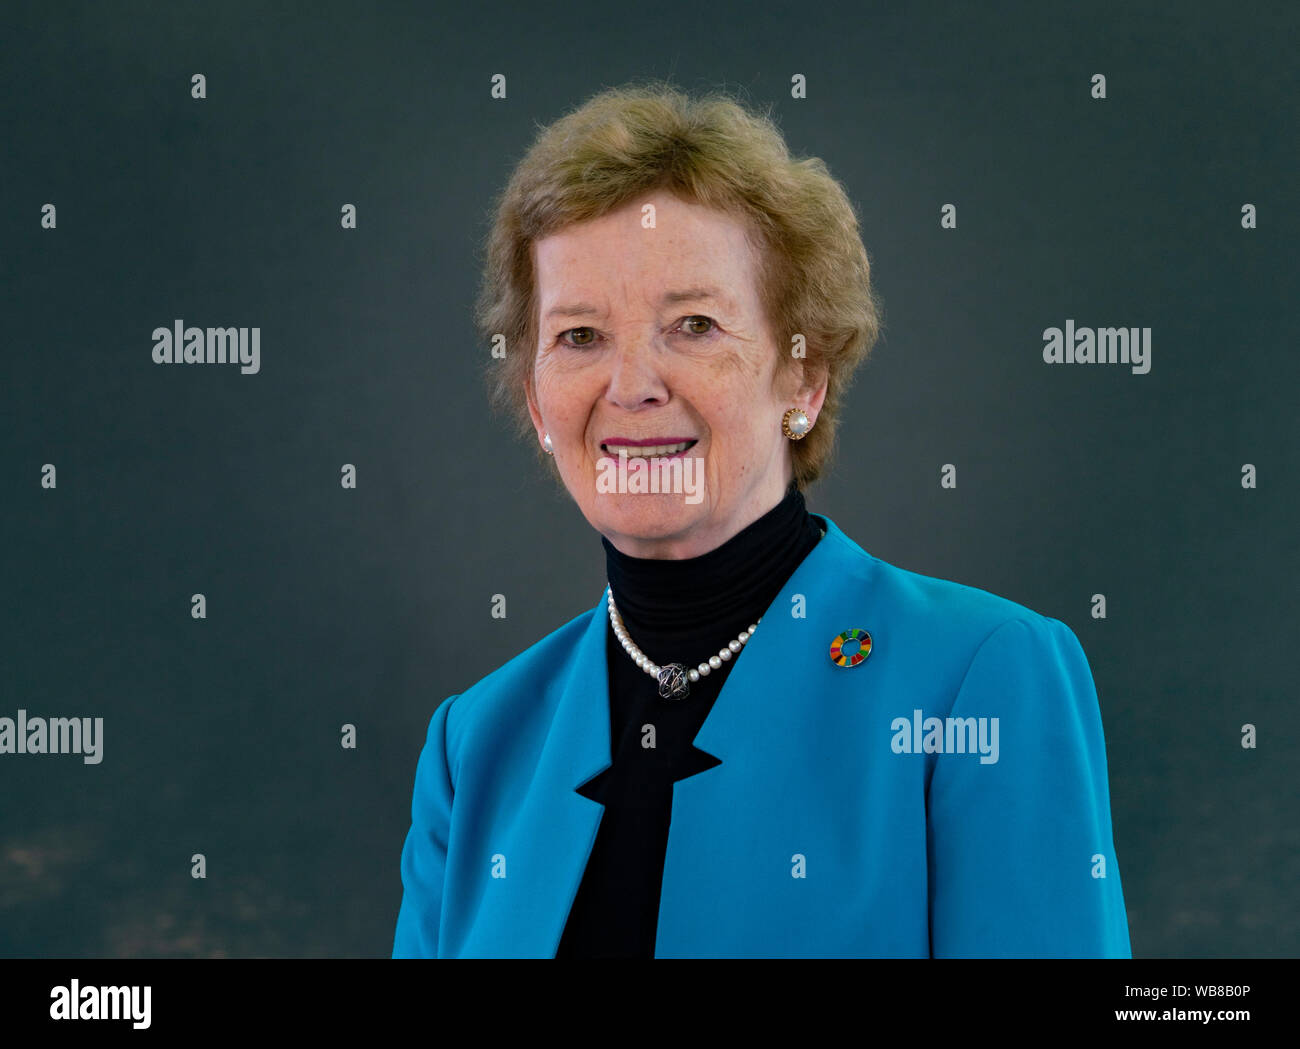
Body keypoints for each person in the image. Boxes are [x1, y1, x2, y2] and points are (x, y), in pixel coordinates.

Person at [392, 81, 1131, 958]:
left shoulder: (981, 677)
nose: (632, 385)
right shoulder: (474, 744)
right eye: (580, 336)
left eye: (694, 324)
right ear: (536, 399)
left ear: (802, 381)